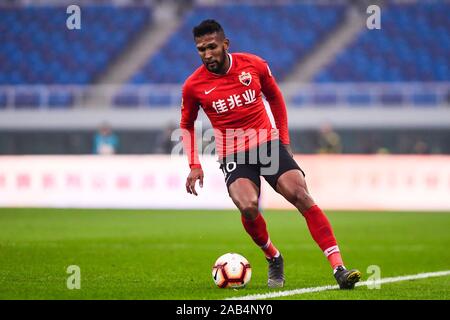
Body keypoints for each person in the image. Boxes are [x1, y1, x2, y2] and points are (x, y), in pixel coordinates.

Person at [180, 20, 360, 289]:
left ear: (225, 45)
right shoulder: (193, 86)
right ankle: (273, 256)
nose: (207, 54)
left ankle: (339, 269)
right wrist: (194, 165)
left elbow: (275, 98)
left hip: (267, 143)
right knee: (249, 206)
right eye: (201, 49)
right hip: (233, 152)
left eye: (212, 47)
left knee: (300, 194)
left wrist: (284, 141)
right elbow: (186, 125)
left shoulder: (254, 65)